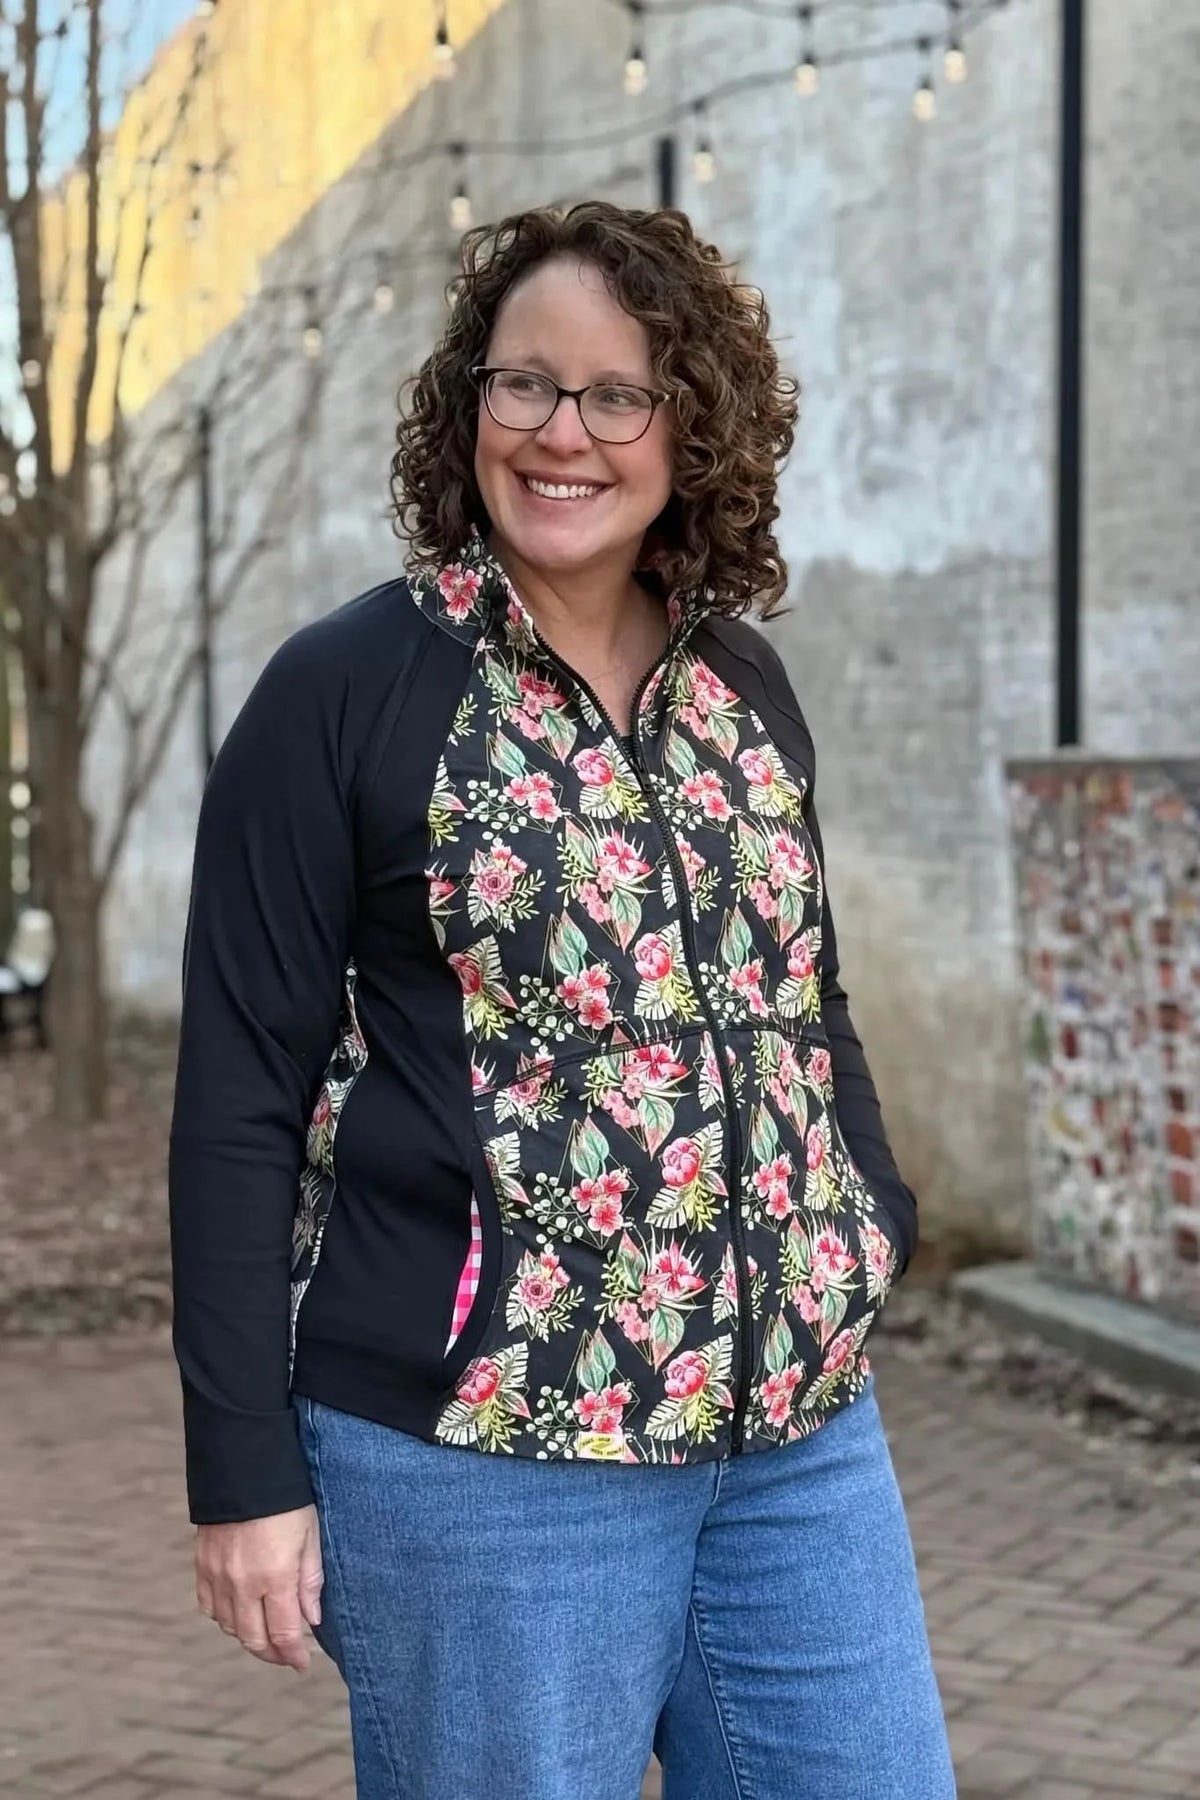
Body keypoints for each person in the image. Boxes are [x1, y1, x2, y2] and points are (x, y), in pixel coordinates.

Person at [169, 201, 956, 1800]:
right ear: (469, 405)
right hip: (489, 1460)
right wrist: (241, 1467)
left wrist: (869, 1225)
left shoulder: (742, 684)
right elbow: (239, 1096)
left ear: (690, 427)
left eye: (617, 395)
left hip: (794, 1441)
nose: (562, 433)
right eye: (523, 384)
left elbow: (806, 1002)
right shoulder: (347, 692)